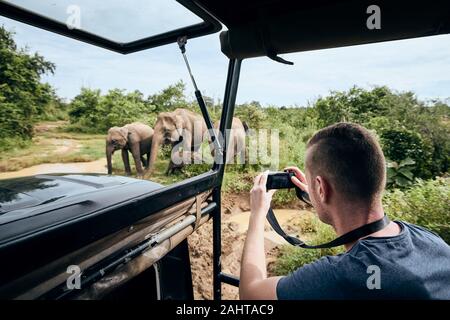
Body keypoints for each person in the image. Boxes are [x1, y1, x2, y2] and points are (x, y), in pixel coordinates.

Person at [239, 122, 450, 299]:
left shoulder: (342, 274)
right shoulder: (431, 240)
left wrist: (258, 213)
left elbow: (250, 294)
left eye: (316, 187)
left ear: (321, 188)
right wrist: (317, 196)